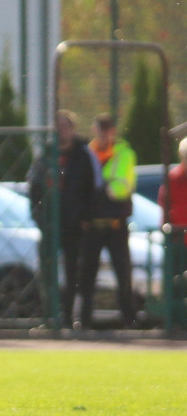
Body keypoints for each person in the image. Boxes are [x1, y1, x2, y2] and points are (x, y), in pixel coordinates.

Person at [27, 110, 96, 328]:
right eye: (58, 126)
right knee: (47, 272)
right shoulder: (45, 155)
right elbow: (34, 188)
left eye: (65, 126)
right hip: (49, 224)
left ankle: (69, 317)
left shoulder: (83, 155)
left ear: (72, 129)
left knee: (73, 273)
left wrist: (85, 217)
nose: (61, 130)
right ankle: (49, 317)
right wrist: (39, 217)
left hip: (74, 225)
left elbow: (93, 189)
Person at [79, 113, 137, 329]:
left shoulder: (124, 153)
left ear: (113, 130)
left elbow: (123, 188)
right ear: (95, 130)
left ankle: (128, 318)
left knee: (123, 272)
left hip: (115, 224)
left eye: (107, 129)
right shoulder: (87, 153)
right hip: (93, 225)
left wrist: (106, 189)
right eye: (100, 128)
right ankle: (84, 319)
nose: (104, 133)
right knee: (87, 274)